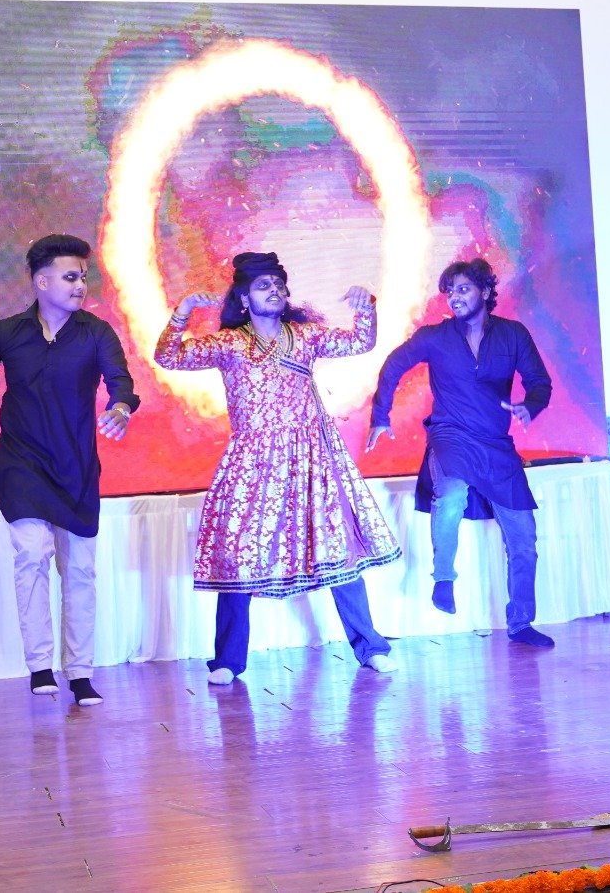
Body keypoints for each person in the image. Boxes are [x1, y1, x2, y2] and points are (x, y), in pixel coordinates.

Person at [156, 252, 401, 684]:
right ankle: (228, 660)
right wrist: (183, 312)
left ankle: (371, 648)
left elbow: (359, 342)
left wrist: (366, 306)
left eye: (278, 284)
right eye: (263, 285)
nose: (274, 291)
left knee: (337, 550)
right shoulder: (230, 344)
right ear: (244, 298)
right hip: (253, 465)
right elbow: (170, 356)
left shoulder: (303, 336)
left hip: (312, 461)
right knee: (238, 557)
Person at [0, 234, 140, 706]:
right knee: (31, 554)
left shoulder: (96, 333)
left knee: (80, 570)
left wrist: (120, 407)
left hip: (76, 466)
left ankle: (81, 673)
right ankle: (39, 666)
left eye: (83, 277)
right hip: (21, 463)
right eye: (70, 277)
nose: (80, 285)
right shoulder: (7, 333)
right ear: (41, 281)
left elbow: (121, 382)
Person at [367, 256, 556, 647]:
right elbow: (393, 365)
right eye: (449, 291)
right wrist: (380, 416)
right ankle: (443, 580)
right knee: (451, 494)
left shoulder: (513, 335)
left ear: (485, 292)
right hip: (451, 435)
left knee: (523, 538)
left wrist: (530, 406)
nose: (454, 297)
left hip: (496, 445)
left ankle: (521, 623)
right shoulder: (434, 337)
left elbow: (540, 382)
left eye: (463, 289)